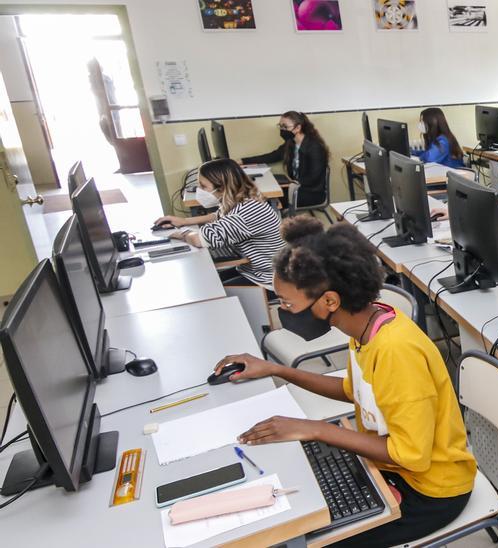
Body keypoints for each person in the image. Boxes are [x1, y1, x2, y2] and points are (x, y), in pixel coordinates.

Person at [212, 217, 476, 546]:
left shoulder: (395, 351)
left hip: (431, 490)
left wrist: (316, 429)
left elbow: (411, 456)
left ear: (330, 302)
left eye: (288, 303)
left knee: (312, 538)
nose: (284, 310)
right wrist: (276, 370)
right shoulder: (364, 325)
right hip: (393, 464)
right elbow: (353, 392)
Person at [154, 159, 286, 290]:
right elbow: (218, 216)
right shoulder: (243, 200)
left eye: (203, 186)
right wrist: (184, 221)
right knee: (207, 280)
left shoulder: (245, 212)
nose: (199, 190)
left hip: (270, 279)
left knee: (208, 290)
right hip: (252, 269)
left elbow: (198, 240)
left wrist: (178, 233)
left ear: (222, 188)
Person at [242, 111, 331, 208]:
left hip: (311, 193)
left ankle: (275, 221)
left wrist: (292, 183)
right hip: (295, 188)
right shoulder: (291, 143)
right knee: (258, 194)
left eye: (285, 126)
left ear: (298, 128)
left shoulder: (315, 147)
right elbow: (272, 156)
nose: (282, 129)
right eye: (280, 126)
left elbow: (314, 176)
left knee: (266, 200)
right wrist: (242, 161)